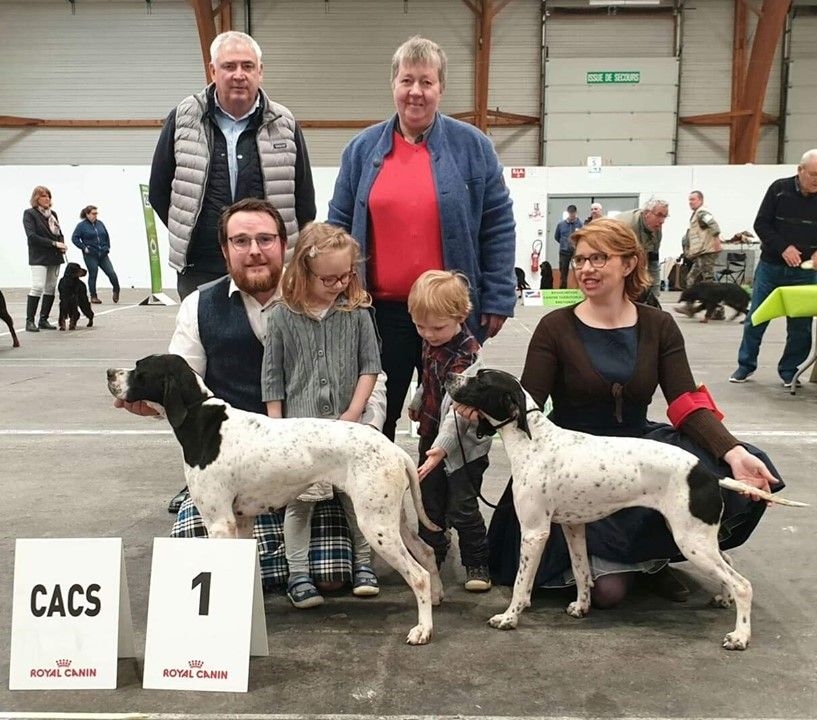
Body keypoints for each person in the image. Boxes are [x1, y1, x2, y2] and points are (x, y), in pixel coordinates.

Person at [481, 218, 782, 608]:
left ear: (629, 264)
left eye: (599, 258)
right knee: (609, 594)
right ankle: (645, 562)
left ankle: (659, 557)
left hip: (641, 451)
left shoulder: (659, 325)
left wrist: (732, 451)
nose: (585, 269)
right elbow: (527, 404)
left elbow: (686, 401)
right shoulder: (554, 327)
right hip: (576, 466)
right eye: (580, 259)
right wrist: (472, 420)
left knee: (747, 460)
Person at [115, 199, 386, 593]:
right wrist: (151, 407)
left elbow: (374, 377)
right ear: (224, 250)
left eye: (265, 239)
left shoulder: (328, 301)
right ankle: (262, 564)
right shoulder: (198, 307)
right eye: (240, 241)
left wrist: (352, 436)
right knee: (194, 553)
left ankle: (275, 559)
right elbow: (181, 386)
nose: (254, 250)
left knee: (332, 574)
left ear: (284, 245)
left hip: (307, 466)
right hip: (234, 472)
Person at [328, 35, 516, 442]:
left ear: (441, 88)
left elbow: (498, 223)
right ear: (393, 85)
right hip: (379, 314)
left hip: (450, 315)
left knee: (450, 417)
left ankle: (443, 502)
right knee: (378, 413)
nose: (416, 91)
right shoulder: (361, 149)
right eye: (407, 80)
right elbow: (338, 226)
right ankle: (380, 498)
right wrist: (332, 291)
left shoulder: (474, 147)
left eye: (426, 82)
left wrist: (499, 295)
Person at [262, 223, 382, 609]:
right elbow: (272, 378)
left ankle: (364, 564)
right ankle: (297, 573)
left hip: (350, 429)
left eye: (345, 275)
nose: (338, 284)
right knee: (299, 505)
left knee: (356, 499)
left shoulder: (358, 311)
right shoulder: (281, 316)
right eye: (328, 277)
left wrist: (353, 413)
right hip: (299, 435)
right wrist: (277, 429)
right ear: (303, 270)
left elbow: (370, 367)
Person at [149, 30, 316, 301]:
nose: (239, 74)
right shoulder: (183, 118)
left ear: (260, 72)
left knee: (270, 343)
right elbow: (159, 191)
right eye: (229, 66)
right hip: (201, 266)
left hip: (269, 268)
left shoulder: (285, 123)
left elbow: (304, 202)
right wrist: (193, 233)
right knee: (203, 340)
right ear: (213, 71)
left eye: (247, 66)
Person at [406, 270, 492, 591]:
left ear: (461, 315)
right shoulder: (431, 341)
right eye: (420, 326)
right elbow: (428, 376)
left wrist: (442, 448)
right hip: (431, 435)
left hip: (464, 447)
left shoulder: (468, 354)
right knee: (428, 500)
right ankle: (432, 556)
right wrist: (418, 400)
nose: (428, 333)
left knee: (462, 506)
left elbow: (458, 412)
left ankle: (477, 560)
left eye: (437, 327)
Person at [730, 149, 817, 386]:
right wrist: (783, 248)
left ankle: (790, 370)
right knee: (757, 317)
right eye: (814, 174)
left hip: (807, 272)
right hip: (771, 267)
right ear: (800, 171)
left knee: (801, 325)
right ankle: (745, 366)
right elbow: (761, 224)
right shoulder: (779, 189)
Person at [23, 186, 66, 332]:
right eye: (43, 196)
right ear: (36, 198)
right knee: (38, 286)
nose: (47, 198)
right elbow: (32, 236)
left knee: (51, 288)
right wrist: (54, 243)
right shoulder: (30, 214)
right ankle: (29, 321)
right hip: (39, 256)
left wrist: (62, 244)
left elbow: (59, 233)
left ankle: (43, 319)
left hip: (54, 256)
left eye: (49, 196)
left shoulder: (53, 214)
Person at [615, 198, 669, 296]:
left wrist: (655, 293)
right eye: (659, 215)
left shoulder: (656, 231)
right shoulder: (628, 226)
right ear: (647, 213)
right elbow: (618, 262)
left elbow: (654, 262)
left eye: (665, 216)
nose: (662, 221)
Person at [71, 205, 121, 304]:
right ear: (87, 214)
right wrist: (84, 247)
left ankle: (116, 289)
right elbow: (74, 238)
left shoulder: (100, 224)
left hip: (103, 254)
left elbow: (106, 236)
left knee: (111, 273)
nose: (95, 215)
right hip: (90, 254)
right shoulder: (81, 226)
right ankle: (93, 296)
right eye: (93, 213)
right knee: (93, 274)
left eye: (96, 213)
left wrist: (107, 247)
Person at [682, 191, 721, 287]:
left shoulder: (702, 213)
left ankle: (708, 298)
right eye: (689, 200)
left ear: (700, 200)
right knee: (691, 277)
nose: (690, 202)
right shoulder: (696, 214)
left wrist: (716, 238)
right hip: (701, 252)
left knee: (707, 277)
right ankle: (692, 297)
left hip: (706, 251)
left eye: (693, 199)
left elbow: (714, 225)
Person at [554, 204, 583, 289]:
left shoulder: (580, 225)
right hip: (564, 252)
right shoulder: (561, 225)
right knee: (563, 272)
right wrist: (564, 243)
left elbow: (582, 238)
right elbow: (557, 237)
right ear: (568, 213)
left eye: (573, 213)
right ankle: (563, 291)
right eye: (570, 213)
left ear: (576, 213)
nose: (571, 215)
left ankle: (578, 290)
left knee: (577, 271)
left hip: (576, 253)